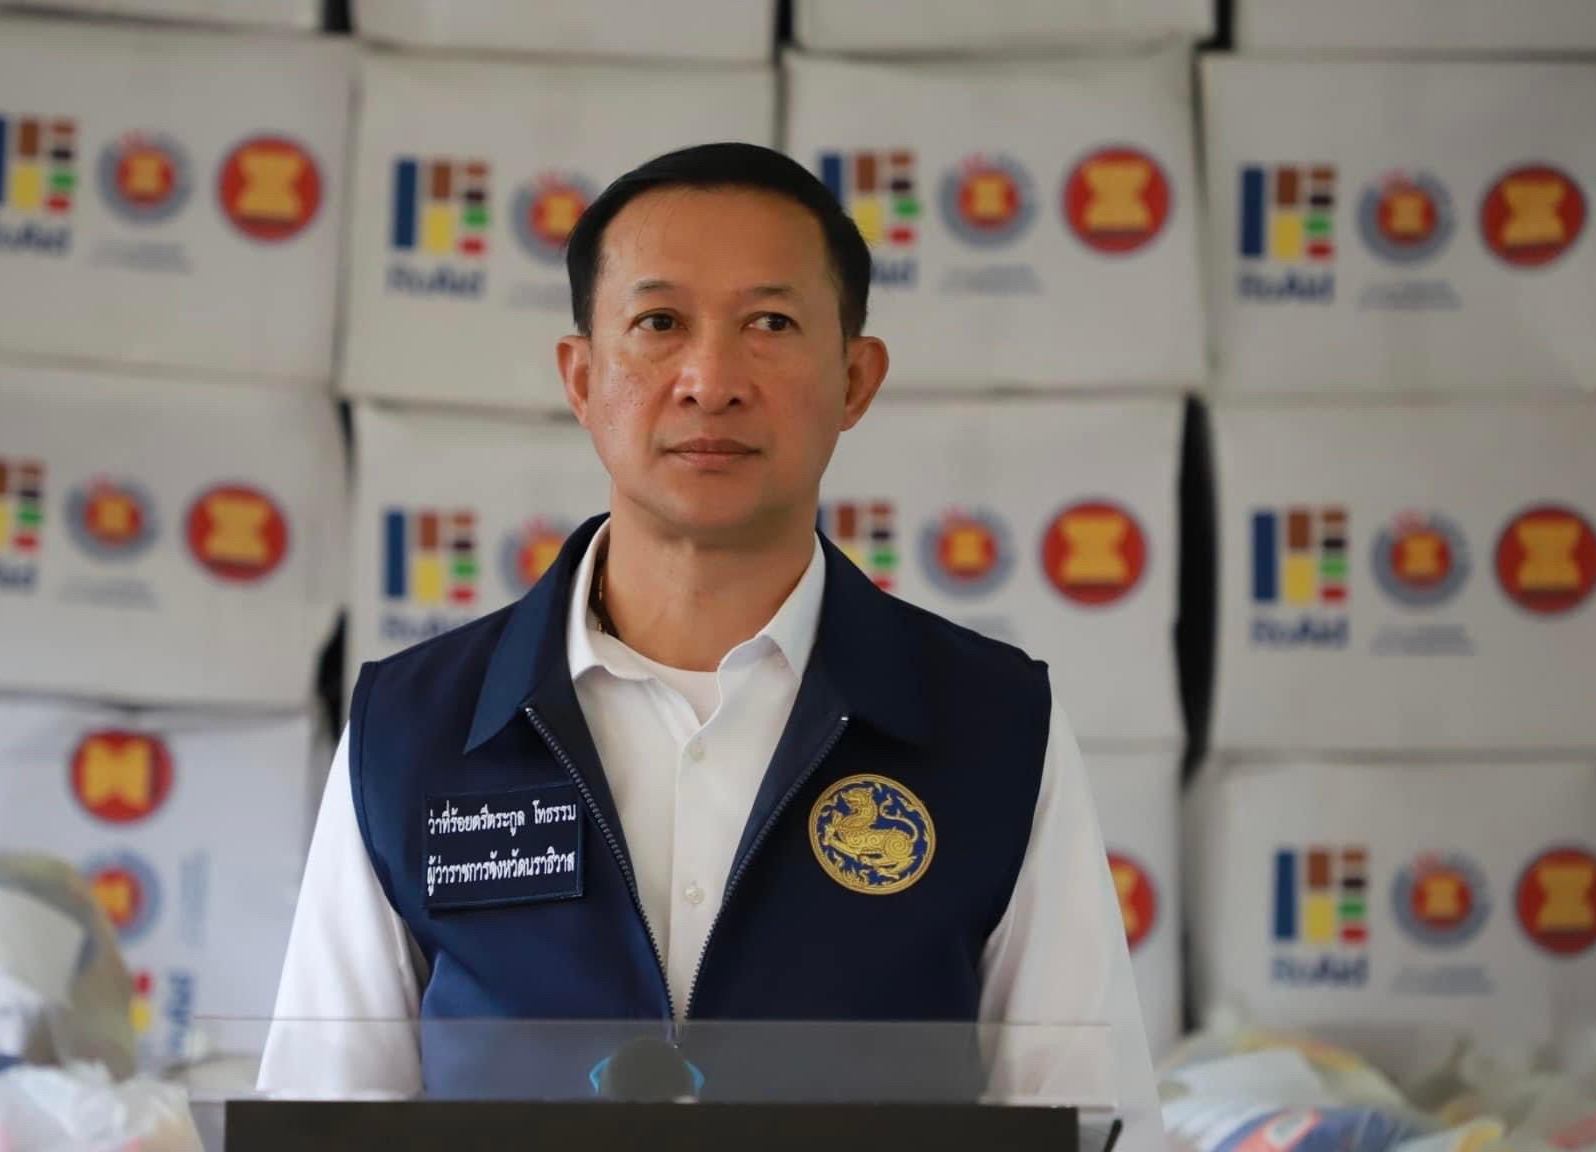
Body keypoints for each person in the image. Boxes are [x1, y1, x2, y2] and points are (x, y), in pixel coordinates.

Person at [259, 142, 1163, 1142]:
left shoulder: (993, 727)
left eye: (770, 324)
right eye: (658, 324)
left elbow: (1085, 1122)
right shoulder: (414, 728)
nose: (710, 379)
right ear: (581, 377)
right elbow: (322, 1119)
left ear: (855, 378)